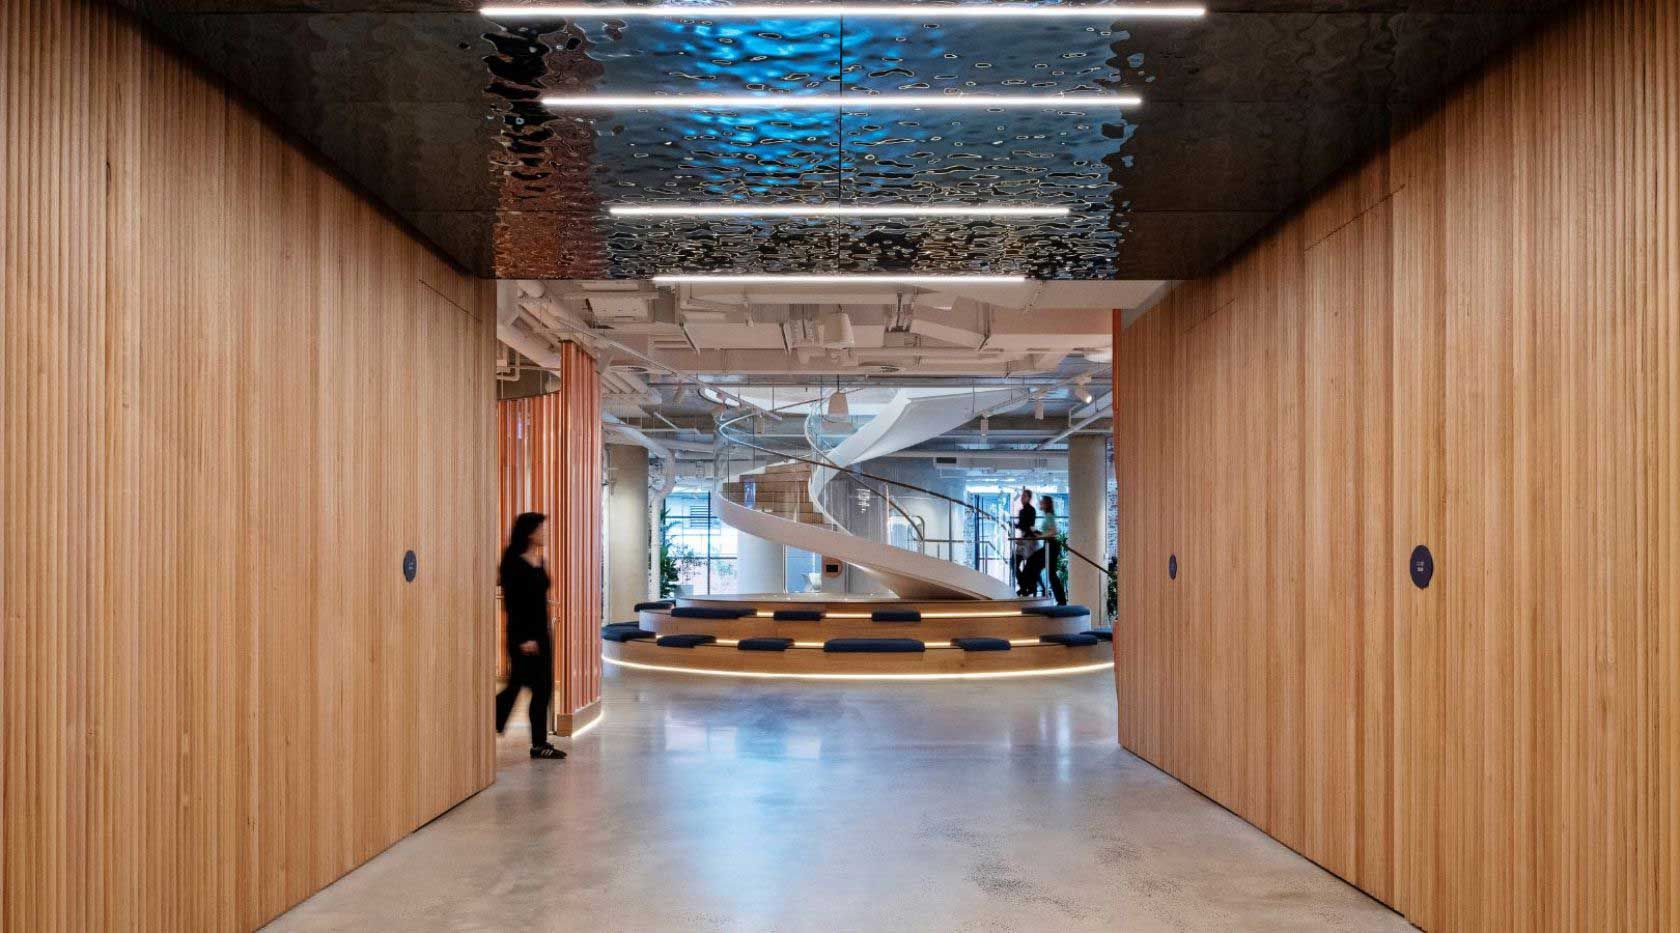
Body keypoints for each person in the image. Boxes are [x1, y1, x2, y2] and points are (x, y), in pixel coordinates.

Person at [495, 512, 566, 760]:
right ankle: (490, 720)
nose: (545, 533)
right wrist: (524, 638)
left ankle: (539, 744)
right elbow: (514, 603)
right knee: (519, 685)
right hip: (524, 636)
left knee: (540, 689)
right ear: (529, 532)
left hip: (541, 634)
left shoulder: (539, 560)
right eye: (541, 529)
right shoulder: (512, 560)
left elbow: (533, 596)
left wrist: (545, 601)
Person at [1037, 495, 1068, 606]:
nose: (1039, 503)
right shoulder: (1047, 516)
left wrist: (1041, 536)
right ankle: (1059, 599)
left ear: (1046, 504)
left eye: (1041, 502)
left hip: (1051, 544)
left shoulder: (1049, 516)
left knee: (1050, 574)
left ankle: (1060, 600)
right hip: (1048, 544)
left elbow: (1054, 531)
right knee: (1049, 573)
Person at [1013, 488, 1040, 597]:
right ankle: (1025, 587)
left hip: (1028, 541)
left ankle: (1027, 587)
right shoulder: (1022, 510)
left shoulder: (1030, 510)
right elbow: (1023, 525)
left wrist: (1019, 526)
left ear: (1029, 498)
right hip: (1025, 539)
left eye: (1024, 496)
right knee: (1016, 564)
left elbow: (1028, 526)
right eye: (1021, 496)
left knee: (1026, 566)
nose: (1022, 498)